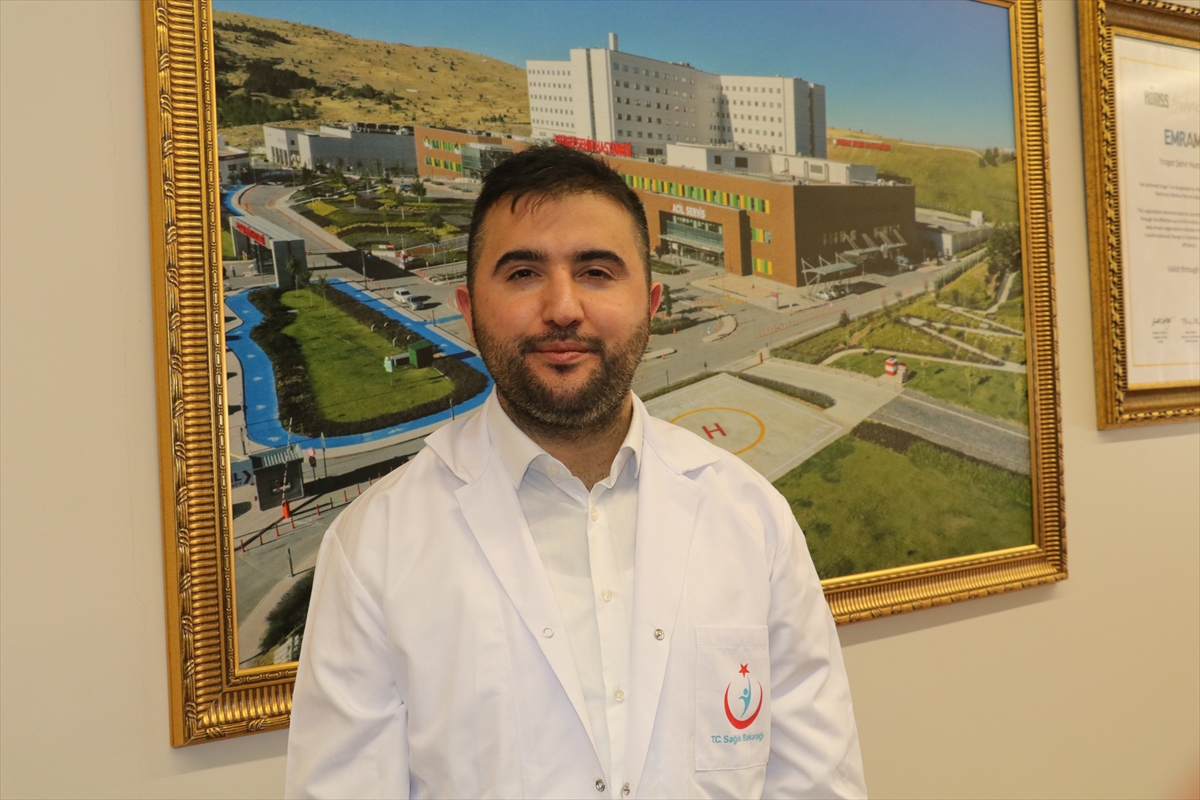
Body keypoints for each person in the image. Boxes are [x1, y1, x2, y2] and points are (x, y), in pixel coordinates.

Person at [285, 146, 866, 799]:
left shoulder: (752, 519)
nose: (563, 307)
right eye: (523, 272)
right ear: (469, 310)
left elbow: (818, 784)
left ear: (650, 304)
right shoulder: (376, 548)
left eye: (595, 271)